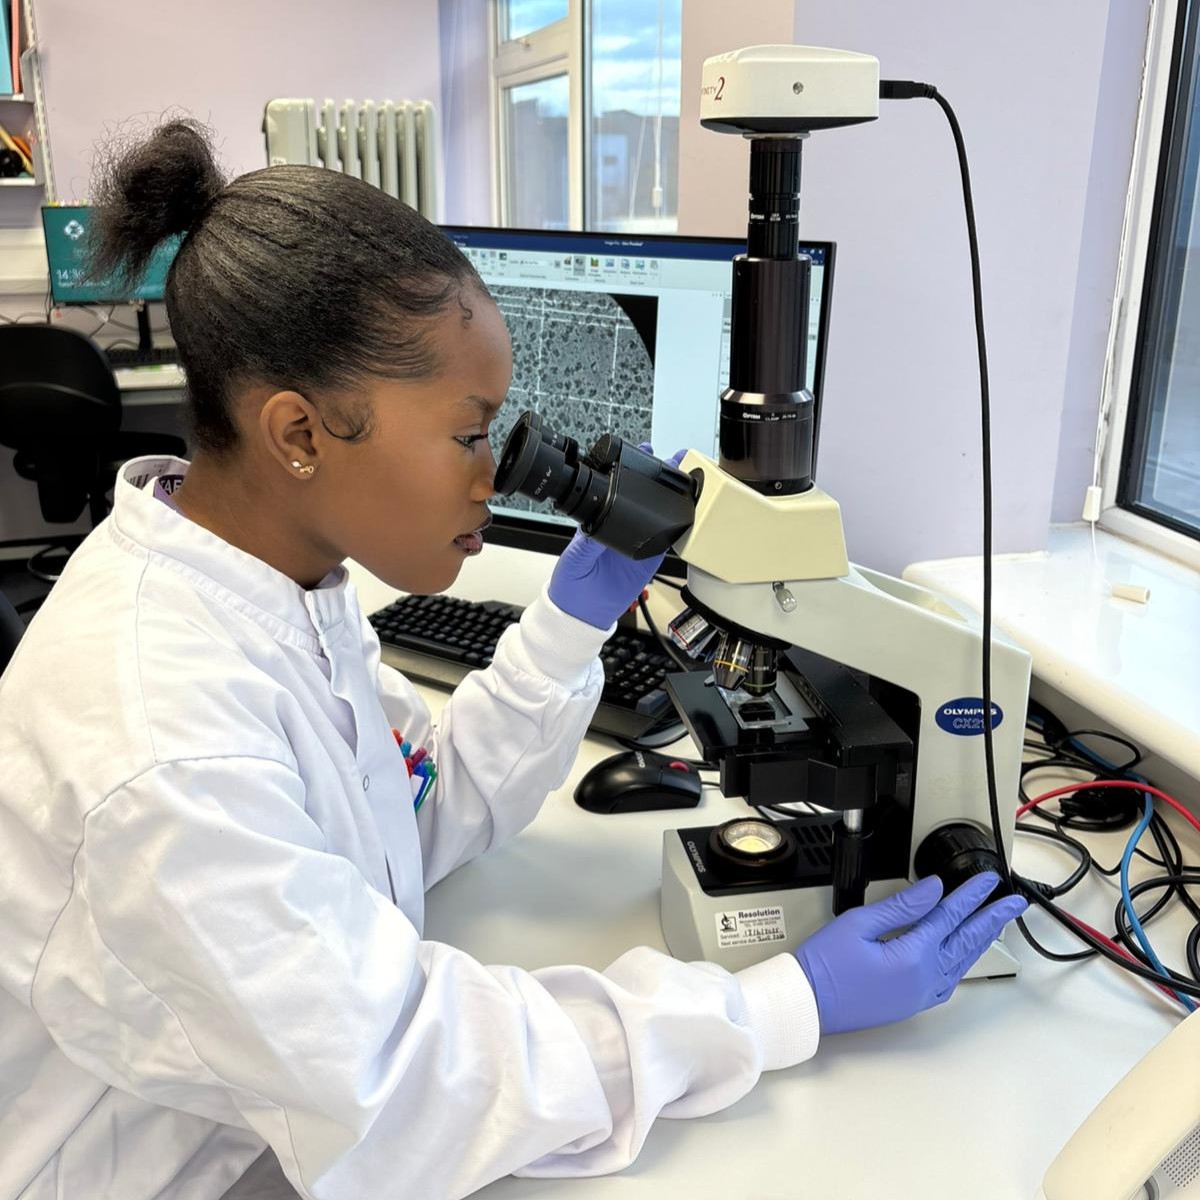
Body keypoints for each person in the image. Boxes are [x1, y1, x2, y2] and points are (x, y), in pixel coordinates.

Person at [0, 121, 1027, 1200]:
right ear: (300, 433)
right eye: (469, 433)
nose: (497, 474)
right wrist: (785, 1004)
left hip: (263, 1117)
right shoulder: (163, 747)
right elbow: (409, 1084)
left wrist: (572, 619)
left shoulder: (284, 581)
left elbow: (410, 809)